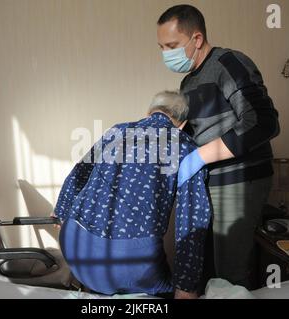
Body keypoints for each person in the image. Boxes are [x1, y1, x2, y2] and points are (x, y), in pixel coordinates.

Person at [157, 5, 280, 290]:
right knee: (205, 266)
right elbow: (199, 129)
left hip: (239, 179)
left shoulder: (230, 63)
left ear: (196, 39)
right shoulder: (188, 81)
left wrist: (201, 155)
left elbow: (263, 122)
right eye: (162, 46)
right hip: (208, 181)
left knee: (229, 271)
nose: (166, 53)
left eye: (172, 45)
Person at [54, 91, 212, 299]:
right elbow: (193, 218)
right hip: (130, 262)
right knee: (166, 290)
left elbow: (79, 173)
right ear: (182, 124)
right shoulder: (186, 147)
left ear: (148, 113)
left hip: (75, 247)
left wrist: (61, 212)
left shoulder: (117, 131)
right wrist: (186, 285)